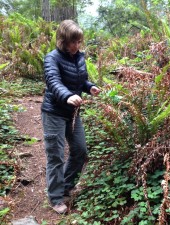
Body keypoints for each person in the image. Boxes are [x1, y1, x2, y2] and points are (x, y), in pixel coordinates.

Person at [41, 19, 100, 214]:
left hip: (73, 113)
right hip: (54, 113)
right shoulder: (52, 58)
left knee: (80, 150)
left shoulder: (79, 57)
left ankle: (66, 186)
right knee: (56, 156)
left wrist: (89, 86)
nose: (77, 45)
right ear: (63, 41)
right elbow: (53, 81)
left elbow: (80, 80)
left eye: (79, 41)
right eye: (73, 42)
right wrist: (68, 96)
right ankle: (56, 198)